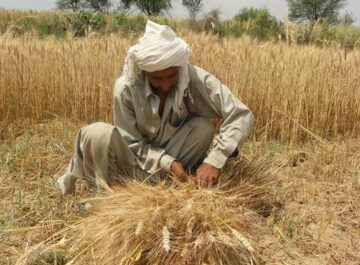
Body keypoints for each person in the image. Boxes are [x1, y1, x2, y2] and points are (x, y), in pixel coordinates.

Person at [56, 20, 255, 195]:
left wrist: (215, 160)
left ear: (179, 67)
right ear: (144, 71)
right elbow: (132, 143)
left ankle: (164, 187)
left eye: (172, 76)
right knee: (96, 134)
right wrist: (168, 163)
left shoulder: (193, 78)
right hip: (132, 163)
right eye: (157, 78)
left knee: (204, 129)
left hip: (171, 163)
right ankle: (106, 191)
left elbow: (242, 114)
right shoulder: (126, 88)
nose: (166, 85)